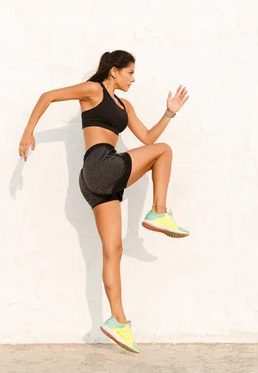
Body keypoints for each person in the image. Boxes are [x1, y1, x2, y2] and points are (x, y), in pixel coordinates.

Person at [18, 50, 190, 353]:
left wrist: (170, 112)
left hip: (95, 180)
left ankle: (118, 321)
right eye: (130, 73)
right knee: (165, 151)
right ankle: (159, 212)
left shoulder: (125, 105)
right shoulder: (93, 90)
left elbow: (147, 138)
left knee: (114, 250)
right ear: (114, 71)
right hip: (100, 164)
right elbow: (48, 96)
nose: (133, 79)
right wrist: (28, 132)